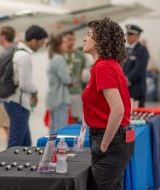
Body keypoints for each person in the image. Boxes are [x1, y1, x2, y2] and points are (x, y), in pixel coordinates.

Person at [82, 18, 134, 190]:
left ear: (100, 41)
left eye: (89, 35)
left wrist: (104, 144)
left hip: (110, 141)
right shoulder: (107, 65)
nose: (84, 39)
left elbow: (118, 110)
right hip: (114, 139)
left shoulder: (103, 67)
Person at [4, 25, 48, 147]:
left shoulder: (17, 52)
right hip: (18, 103)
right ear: (33, 41)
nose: (42, 46)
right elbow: (24, 84)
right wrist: (36, 91)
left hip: (14, 101)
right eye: (41, 42)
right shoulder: (24, 56)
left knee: (25, 142)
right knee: (16, 143)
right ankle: (10, 165)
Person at [46, 34, 72, 133]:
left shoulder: (54, 58)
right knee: (60, 129)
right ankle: (57, 149)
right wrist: (71, 81)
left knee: (53, 128)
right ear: (59, 45)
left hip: (54, 97)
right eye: (65, 42)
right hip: (60, 99)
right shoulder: (59, 59)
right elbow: (66, 79)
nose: (67, 44)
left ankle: (51, 148)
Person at [0, 26, 16, 141]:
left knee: (8, 130)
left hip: (4, 96)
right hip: (13, 95)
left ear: (3, 37)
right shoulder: (16, 50)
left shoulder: (5, 54)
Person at [123, 24, 149, 107]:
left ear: (138, 35)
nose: (128, 37)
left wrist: (125, 80)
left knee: (136, 117)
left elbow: (139, 69)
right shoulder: (128, 50)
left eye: (130, 34)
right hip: (127, 90)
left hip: (136, 91)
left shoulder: (142, 50)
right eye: (127, 34)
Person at [63, 31, 86, 122]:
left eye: (73, 39)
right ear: (64, 40)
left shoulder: (80, 55)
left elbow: (81, 71)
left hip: (76, 91)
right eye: (69, 39)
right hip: (63, 92)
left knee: (76, 117)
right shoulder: (60, 55)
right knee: (63, 118)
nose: (71, 42)